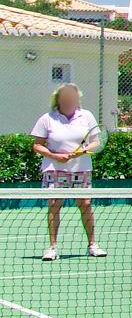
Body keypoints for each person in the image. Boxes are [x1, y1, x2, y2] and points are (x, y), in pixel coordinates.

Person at [29, 83, 104, 262]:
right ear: (59, 99)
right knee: (54, 204)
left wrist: (82, 151)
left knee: (85, 204)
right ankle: (52, 248)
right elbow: (37, 144)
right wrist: (54, 155)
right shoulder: (47, 118)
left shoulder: (86, 116)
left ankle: (92, 245)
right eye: (66, 96)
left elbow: (96, 141)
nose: (70, 99)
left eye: (74, 96)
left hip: (81, 168)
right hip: (54, 169)